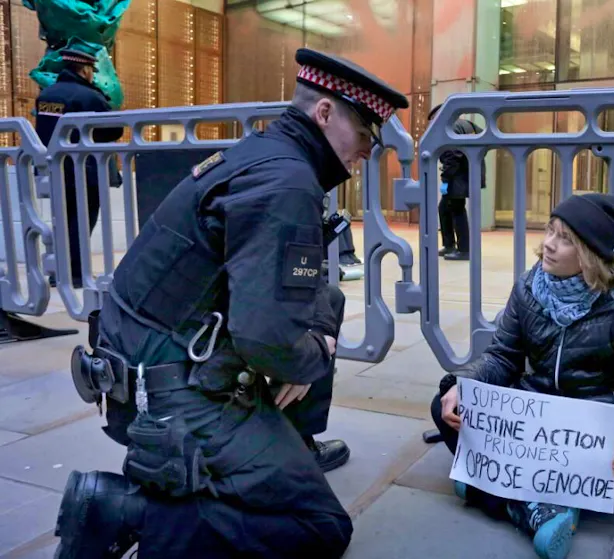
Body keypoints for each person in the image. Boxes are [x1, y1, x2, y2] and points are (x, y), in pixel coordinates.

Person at [54, 49, 408, 558]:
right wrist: (312, 357)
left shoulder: (266, 155)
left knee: (323, 305)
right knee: (319, 526)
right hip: (171, 391)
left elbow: (294, 299)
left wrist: (310, 344)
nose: (366, 154)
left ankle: (283, 452)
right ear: (325, 114)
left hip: (151, 359)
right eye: (365, 137)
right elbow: (266, 339)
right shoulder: (287, 183)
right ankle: (126, 512)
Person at [430, 194, 614, 559]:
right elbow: (502, 356)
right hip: (530, 421)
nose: (548, 245)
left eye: (565, 239)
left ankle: (496, 492)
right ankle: (540, 504)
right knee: (445, 407)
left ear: (590, 253)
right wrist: (464, 385)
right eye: (550, 231)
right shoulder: (529, 287)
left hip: (586, 428)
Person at [34, 48, 123, 288]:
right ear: (85, 70)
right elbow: (114, 129)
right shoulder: (89, 97)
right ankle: (76, 275)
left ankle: (58, 272)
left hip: (55, 169)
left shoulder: (47, 95)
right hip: (85, 171)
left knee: (62, 221)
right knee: (82, 223)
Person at [428, 104, 485, 261]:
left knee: (457, 210)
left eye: (433, 119)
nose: (432, 124)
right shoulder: (468, 124)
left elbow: (452, 156)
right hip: (470, 173)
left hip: (457, 177)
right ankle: (449, 245)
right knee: (445, 208)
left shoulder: (449, 127)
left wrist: (445, 179)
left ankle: (464, 249)